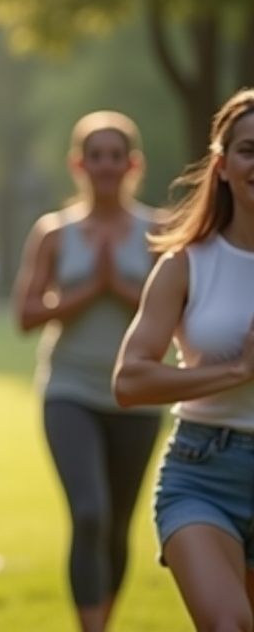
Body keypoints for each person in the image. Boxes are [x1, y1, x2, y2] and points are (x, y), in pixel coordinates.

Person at [14, 111, 163, 632]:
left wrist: (116, 287)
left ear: (132, 164)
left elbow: (178, 314)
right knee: (91, 512)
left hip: (137, 392)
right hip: (69, 390)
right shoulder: (55, 233)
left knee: (119, 525)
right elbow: (25, 316)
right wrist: (83, 293)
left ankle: (104, 618)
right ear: (78, 163)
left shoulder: (159, 231)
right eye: (94, 155)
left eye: (115, 156)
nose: (105, 165)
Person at [115, 89, 254, 632]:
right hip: (203, 473)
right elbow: (129, 380)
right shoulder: (185, 265)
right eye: (248, 150)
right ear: (221, 166)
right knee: (228, 625)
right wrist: (236, 372)